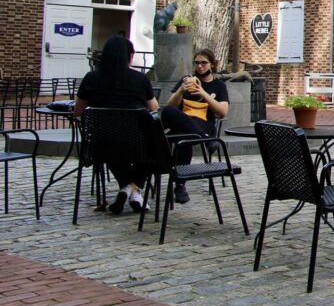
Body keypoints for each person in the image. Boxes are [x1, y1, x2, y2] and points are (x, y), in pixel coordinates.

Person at [74, 35, 158, 214]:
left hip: (101, 143)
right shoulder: (139, 79)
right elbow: (154, 109)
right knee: (154, 149)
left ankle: (128, 189)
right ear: (129, 56)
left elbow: (79, 111)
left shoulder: (91, 78)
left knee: (111, 147)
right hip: (137, 143)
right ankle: (133, 190)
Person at [160, 48, 229, 204]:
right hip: (186, 124)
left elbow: (223, 111)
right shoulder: (186, 80)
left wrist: (202, 93)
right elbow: (170, 107)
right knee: (171, 115)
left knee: (183, 137)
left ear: (212, 64)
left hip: (203, 123)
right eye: (197, 63)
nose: (200, 66)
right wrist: (180, 91)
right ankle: (205, 140)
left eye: (204, 63)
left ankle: (179, 184)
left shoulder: (218, 85)